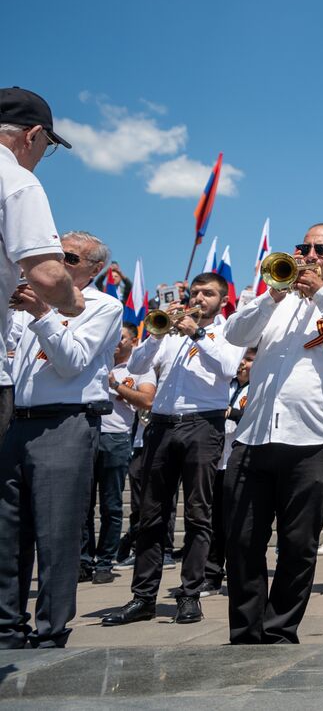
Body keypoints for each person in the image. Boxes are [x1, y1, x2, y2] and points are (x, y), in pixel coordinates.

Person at [220, 223, 323, 645]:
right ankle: (245, 634)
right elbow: (234, 334)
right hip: (254, 436)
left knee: (297, 544)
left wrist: (321, 293)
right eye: (304, 247)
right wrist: (272, 295)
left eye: (321, 249)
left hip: (313, 438)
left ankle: (278, 631)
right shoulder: (278, 298)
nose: (310, 255)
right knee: (241, 541)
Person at [102, 271, 243, 627]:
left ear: (223, 300)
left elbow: (228, 367)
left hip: (203, 424)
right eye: (195, 292)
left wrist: (197, 333)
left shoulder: (229, 331)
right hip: (162, 426)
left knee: (197, 514)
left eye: (208, 293)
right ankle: (143, 597)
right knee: (150, 515)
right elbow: (137, 365)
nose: (199, 299)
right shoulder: (169, 334)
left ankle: (190, 594)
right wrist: (156, 334)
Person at [0, 229, 119, 649]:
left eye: (69, 258)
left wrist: (42, 314)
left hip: (66, 423)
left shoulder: (104, 306)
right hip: (19, 421)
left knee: (56, 535)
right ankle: (7, 629)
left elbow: (72, 363)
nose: (57, 263)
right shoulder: (28, 301)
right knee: (8, 533)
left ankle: (51, 632)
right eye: (55, 254)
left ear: (94, 269)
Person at [0, 88, 85, 441]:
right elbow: (48, 277)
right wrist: (72, 300)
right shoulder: (16, 179)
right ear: (32, 135)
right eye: (46, 145)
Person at [84, 325, 154, 584]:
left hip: (116, 438)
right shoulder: (96, 359)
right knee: (84, 504)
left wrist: (115, 386)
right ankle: (84, 560)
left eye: (121, 338)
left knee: (111, 504)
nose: (115, 342)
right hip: (87, 434)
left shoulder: (139, 368)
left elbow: (147, 401)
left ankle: (105, 561)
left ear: (132, 341)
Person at [203, 347, 254, 597]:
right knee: (214, 524)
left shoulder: (257, 387)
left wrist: (232, 413)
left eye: (249, 360)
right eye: (242, 359)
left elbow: (254, 415)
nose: (243, 364)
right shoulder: (227, 385)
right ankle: (211, 575)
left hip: (241, 462)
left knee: (235, 524)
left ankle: (238, 576)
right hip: (217, 461)